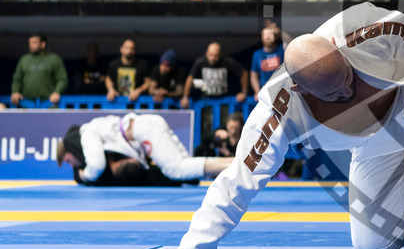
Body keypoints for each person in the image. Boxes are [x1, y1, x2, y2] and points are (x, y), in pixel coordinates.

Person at [121, 3, 404, 249]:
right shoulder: (279, 109)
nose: (351, 93)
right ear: (300, 90)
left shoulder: (363, 30)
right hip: (373, 149)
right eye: (337, 93)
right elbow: (239, 178)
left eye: (349, 78)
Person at [57, 113, 233, 185]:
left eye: (67, 160)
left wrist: (84, 175)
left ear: (68, 150)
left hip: (144, 130)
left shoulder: (86, 133)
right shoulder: (92, 129)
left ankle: (235, 165)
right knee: (185, 166)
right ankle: (234, 162)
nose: (72, 163)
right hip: (146, 127)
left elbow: (96, 165)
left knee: (176, 169)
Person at [180, 42, 249, 108]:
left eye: (216, 56)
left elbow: (244, 73)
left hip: (224, 98)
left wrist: (244, 92)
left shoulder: (226, 62)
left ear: (220, 55)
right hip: (206, 99)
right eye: (211, 55)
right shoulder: (200, 62)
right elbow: (190, 78)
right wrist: (185, 97)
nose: (213, 58)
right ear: (206, 54)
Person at [10, 34, 68, 107]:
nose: (30, 45)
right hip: (26, 102)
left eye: (34, 42)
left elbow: (62, 79)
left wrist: (57, 92)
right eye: (29, 43)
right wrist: (15, 91)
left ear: (43, 44)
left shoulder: (54, 59)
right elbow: (17, 79)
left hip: (48, 102)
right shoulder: (24, 60)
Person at [250, 25, 284, 97]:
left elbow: (292, 43)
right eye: (265, 34)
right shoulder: (257, 54)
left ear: (275, 37)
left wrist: (279, 32)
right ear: (262, 37)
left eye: (270, 34)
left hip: (282, 90)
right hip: (265, 92)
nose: (268, 37)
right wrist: (257, 92)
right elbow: (254, 75)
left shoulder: (282, 49)